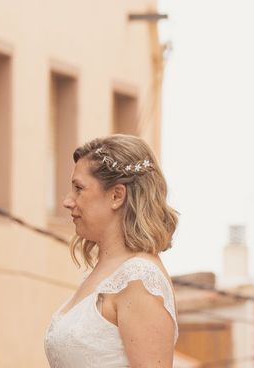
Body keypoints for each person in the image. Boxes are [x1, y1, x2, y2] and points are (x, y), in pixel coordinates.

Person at [45, 134, 179, 367]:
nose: (68, 201)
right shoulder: (103, 273)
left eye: (79, 189)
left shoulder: (138, 279)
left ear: (116, 196)